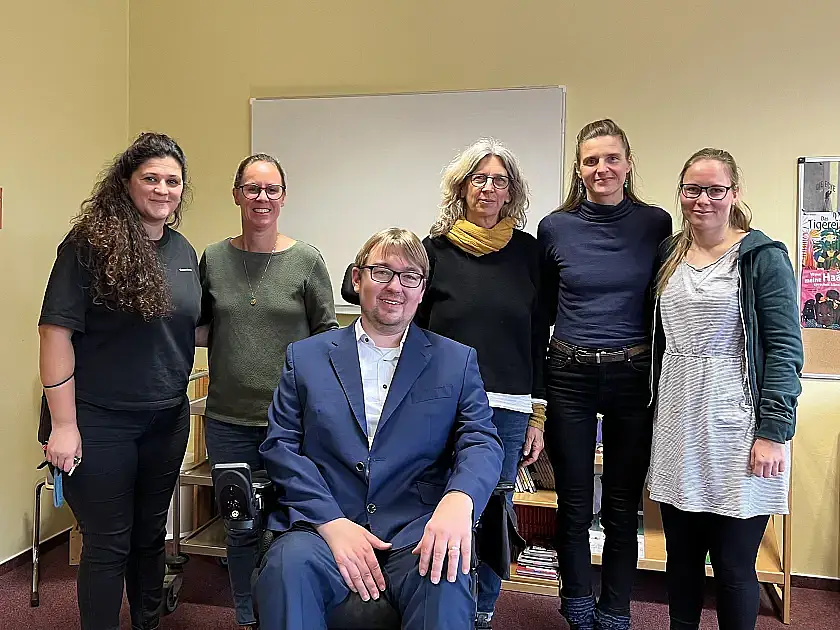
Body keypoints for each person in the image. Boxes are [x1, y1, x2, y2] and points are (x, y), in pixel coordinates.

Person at [255, 228, 504, 630]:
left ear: (422, 291)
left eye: (410, 277)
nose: (395, 287)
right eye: (381, 272)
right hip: (323, 527)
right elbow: (281, 446)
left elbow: (482, 441)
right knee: (287, 568)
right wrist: (330, 522)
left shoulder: (455, 361)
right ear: (357, 279)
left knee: (447, 571)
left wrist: (460, 500)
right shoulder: (306, 357)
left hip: (418, 528)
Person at [38, 132, 201, 630]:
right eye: (150, 178)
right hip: (98, 420)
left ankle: (147, 622)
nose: (162, 189)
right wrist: (64, 426)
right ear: (125, 183)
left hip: (166, 419)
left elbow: (191, 326)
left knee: (150, 535)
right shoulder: (88, 246)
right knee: (108, 541)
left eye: (172, 181)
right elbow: (54, 332)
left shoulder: (183, 251)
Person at [648, 148, 803, 630]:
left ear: (735, 194)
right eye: (692, 189)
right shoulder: (669, 254)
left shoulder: (762, 257)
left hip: (739, 430)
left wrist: (774, 431)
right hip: (678, 423)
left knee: (735, 567)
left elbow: (784, 349)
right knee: (682, 561)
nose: (703, 200)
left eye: (715, 189)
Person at [537, 119, 672, 630]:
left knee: (621, 505)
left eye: (611, 158)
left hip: (633, 374)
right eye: (591, 160)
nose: (602, 169)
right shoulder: (555, 227)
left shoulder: (656, 224)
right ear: (579, 168)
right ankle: (575, 605)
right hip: (569, 372)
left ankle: (615, 609)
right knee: (572, 504)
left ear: (628, 164)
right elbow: (545, 307)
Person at [196, 153, 337, 628]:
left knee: (293, 528)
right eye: (252, 188)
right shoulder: (213, 259)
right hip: (228, 422)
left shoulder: (306, 260)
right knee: (240, 528)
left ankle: (283, 611)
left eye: (271, 189)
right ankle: (246, 616)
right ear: (236, 194)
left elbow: (327, 336)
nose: (262, 198)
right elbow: (198, 327)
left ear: (283, 197)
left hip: (292, 423)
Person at [415, 138, 544, 628]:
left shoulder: (530, 254)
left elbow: (538, 336)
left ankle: (483, 608)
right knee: (439, 498)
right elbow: (415, 333)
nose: (489, 188)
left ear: (511, 192)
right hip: (442, 399)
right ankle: (442, 599)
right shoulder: (433, 252)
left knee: (495, 505)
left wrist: (538, 413)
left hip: (509, 406)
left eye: (499, 180)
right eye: (479, 178)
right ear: (462, 187)